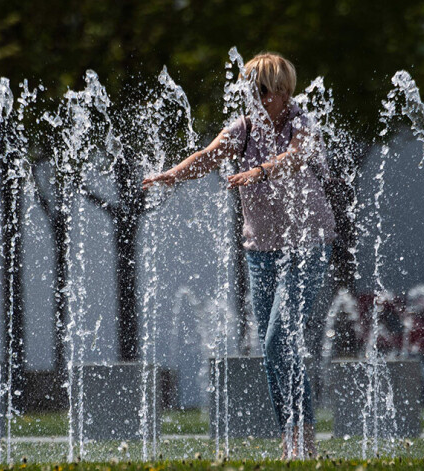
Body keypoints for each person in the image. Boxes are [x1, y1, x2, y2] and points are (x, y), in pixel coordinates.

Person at [142, 52, 336, 458]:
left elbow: (298, 156)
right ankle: (293, 436)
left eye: (263, 91)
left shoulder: (301, 122)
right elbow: (207, 156)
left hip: (307, 247)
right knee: (272, 347)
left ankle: (305, 438)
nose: (258, 99)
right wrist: (172, 175)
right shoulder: (244, 130)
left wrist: (260, 171)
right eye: (251, 91)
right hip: (261, 252)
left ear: (283, 92)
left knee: (279, 336)